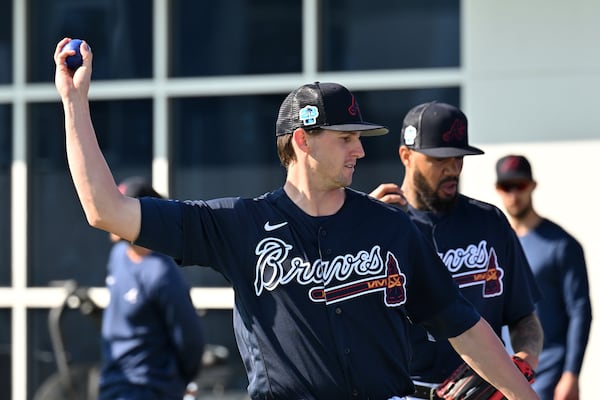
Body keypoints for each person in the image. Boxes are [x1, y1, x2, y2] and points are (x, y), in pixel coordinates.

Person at [54, 37, 540, 400]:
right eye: (345, 137)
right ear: (304, 141)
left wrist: (525, 395)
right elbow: (105, 210)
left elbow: (465, 326)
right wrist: (74, 104)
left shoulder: (393, 228)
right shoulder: (239, 225)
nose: (360, 149)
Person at [370, 101, 544, 399]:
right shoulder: (380, 225)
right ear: (406, 156)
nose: (452, 168)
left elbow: (524, 317)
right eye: (440, 159)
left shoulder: (490, 222)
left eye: (458, 157)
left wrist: (523, 362)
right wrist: (358, 229)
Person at [495, 154, 592, 400]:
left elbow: (580, 312)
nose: (514, 194)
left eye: (521, 185)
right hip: (505, 371)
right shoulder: (496, 245)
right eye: (507, 187)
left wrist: (571, 374)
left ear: (533, 186)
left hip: (549, 371)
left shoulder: (562, 245)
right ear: (498, 189)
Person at [99, 176, 206, 400]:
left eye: (119, 205)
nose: (109, 210)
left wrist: (178, 381)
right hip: (113, 384)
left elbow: (190, 340)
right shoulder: (117, 256)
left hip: (150, 389)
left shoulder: (162, 273)